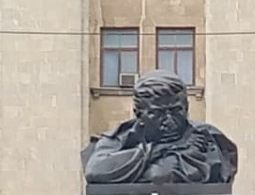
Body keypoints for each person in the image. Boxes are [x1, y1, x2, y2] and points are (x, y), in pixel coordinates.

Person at [82, 69, 238, 186]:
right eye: (158, 113)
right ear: (138, 114)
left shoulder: (210, 138)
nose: (169, 120)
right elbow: (95, 171)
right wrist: (159, 150)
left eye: (176, 111)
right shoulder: (119, 138)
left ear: (187, 107)